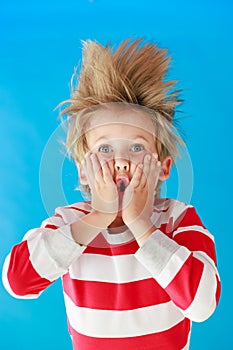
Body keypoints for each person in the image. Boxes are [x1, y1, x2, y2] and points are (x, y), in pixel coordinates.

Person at [2, 38, 221, 350]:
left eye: (136, 147)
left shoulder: (178, 219)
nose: (120, 160)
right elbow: (17, 282)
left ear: (163, 168)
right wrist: (99, 217)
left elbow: (202, 305)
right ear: (82, 170)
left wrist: (141, 224)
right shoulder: (69, 224)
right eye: (104, 147)